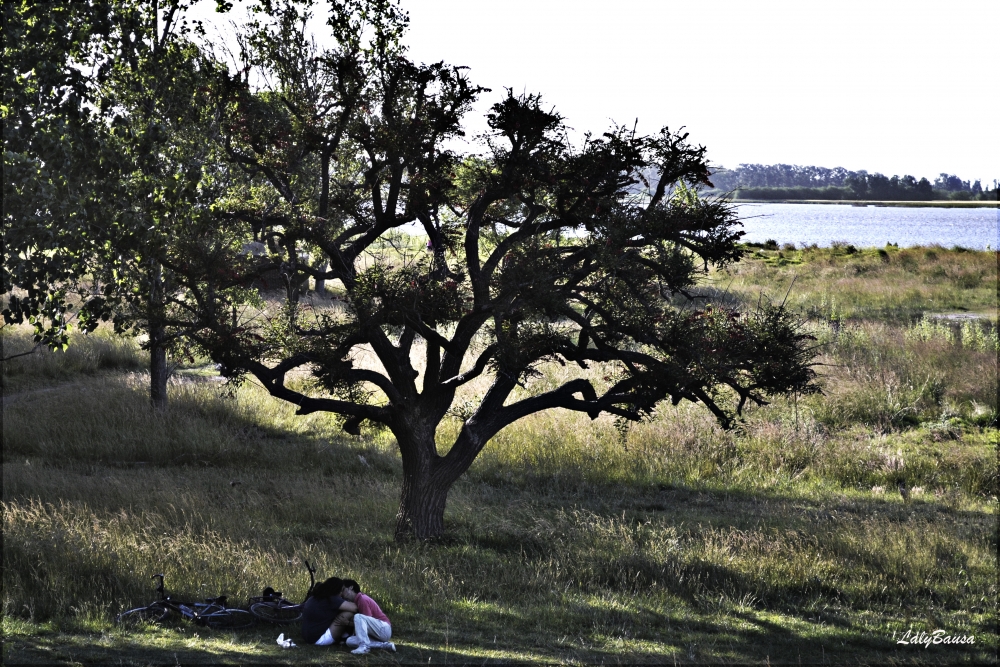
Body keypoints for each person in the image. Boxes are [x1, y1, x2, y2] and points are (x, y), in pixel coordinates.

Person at [340, 579, 395, 654]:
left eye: (343, 590)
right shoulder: (357, 601)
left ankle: (364, 647)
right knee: (349, 641)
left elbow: (364, 623)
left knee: (358, 616)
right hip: (377, 632)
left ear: (351, 587)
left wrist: (348, 623)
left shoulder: (362, 599)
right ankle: (384, 645)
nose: (342, 594)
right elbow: (363, 626)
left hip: (383, 628)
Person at [300, 577, 358, 646]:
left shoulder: (315, 597)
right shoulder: (332, 599)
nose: (342, 594)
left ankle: (344, 636)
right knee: (348, 613)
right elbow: (355, 608)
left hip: (308, 637)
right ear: (337, 589)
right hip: (319, 639)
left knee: (341, 611)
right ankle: (345, 637)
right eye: (341, 590)